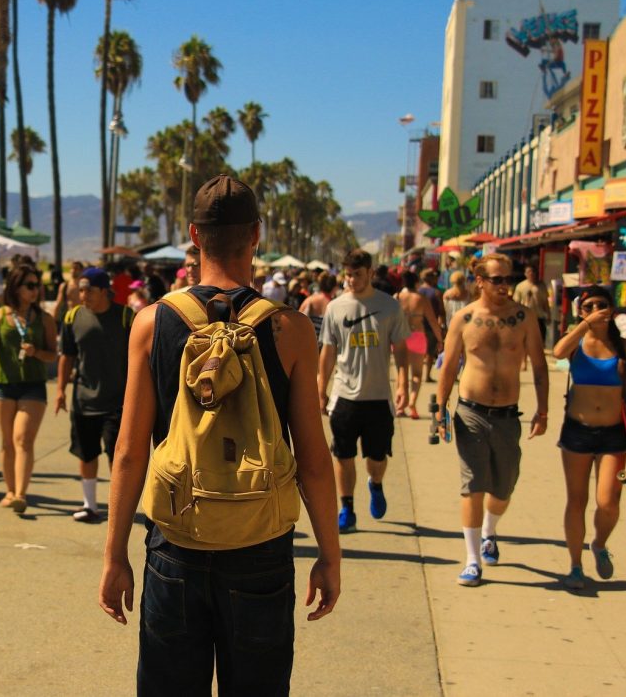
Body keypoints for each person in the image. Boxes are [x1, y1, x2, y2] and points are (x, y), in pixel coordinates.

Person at [98, 175, 340, 694]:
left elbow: (128, 452)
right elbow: (314, 461)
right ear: (257, 234)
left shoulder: (152, 323)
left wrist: (114, 556)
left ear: (192, 235)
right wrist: (329, 555)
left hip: (176, 544)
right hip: (261, 546)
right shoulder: (290, 329)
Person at [436, 253, 549, 587]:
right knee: (473, 485)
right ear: (480, 281)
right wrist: (440, 409)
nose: (505, 285)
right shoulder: (465, 319)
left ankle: (489, 531)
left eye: (508, 279)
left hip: (508, 415)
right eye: (497, 279)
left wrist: (542, 411)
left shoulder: (524, 317)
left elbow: (540, 367)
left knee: (504, 486)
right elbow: (448, 366)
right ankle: (472, 559)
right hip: (471, 411)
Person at [551, 286, 626, 589]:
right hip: (577, 431)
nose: (596, 309)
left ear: (612, 310)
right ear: (581, 311)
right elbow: (557, 352)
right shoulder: (577, 341)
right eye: (588, 306)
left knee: (608, 502)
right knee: (576, 500)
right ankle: (575, 566)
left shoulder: (625, 347)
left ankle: (599, 544)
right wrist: (584, 324)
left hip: (613, 434)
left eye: (601, 305)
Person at [318, 249, 410, 534]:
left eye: (357, 274)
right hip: (345, 396)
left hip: (379, 397)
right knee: (343, 455)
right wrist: (321, 389)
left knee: (376, 458)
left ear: (370, 273)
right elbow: (328, 352)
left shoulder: (390, 307)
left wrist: (404, 383)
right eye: (348, 275)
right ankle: (347, 507)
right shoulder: (336, 307)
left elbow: (403, 349)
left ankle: (376, 483)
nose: (352, 280)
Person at [0, 263, 58, 514]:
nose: (35, 291)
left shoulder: (44, 319)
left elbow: (52, 355)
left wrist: (36, 352)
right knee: (7, 441)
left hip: (32, 385)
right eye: (30, 285)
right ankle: (10, 490)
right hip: (3, 384)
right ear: (16, 287)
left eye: (38, 286)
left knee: (23, 438)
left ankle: (21, 494)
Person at [55, 267, 132, 522]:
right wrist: (60, 391)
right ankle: (90, 505)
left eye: (88, 290)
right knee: (86, 454)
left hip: (116, 402)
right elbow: (67, 356)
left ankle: (117, 507)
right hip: (83, 401)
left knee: (116, 458)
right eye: (80, 289)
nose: (83, 294)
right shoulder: (73, 317)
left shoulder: (125, 317)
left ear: (104, 291)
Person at [396, 270, 444, 419]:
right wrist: (440, 339)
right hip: (417, 335)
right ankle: (412, 402)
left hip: (400, 336)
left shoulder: (397, 297)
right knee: (417, 374)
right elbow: (432, 321)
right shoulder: (421, 299)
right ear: (416, 282)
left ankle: (400, 406)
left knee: (401, 372)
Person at [513, 264, 550, 369]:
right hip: (524, 317)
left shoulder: (541, 285)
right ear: (525, 274)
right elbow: (516, 302)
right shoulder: (520, 286)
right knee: (523, 341)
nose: (531, 274)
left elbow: (545, 302)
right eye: (529, 272)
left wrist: (548, 314)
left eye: (533, 272)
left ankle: (537, 363)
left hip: (538, 316)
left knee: (539, 341)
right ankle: (523, 361)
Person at [418, 268, 446, 383]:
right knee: (430, 352)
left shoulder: (417, 291)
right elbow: (441, 311)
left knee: (418, 352)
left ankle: (417, 374)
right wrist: (442, 326)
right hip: (431, 326)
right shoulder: (436, 292)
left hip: (417, 326)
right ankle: (427, 376)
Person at [300, 272, 337, 338]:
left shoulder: (310, 300)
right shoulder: (334, 305)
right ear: (334, 288)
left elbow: (298, 321)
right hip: (326, 344)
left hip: (310, 342)